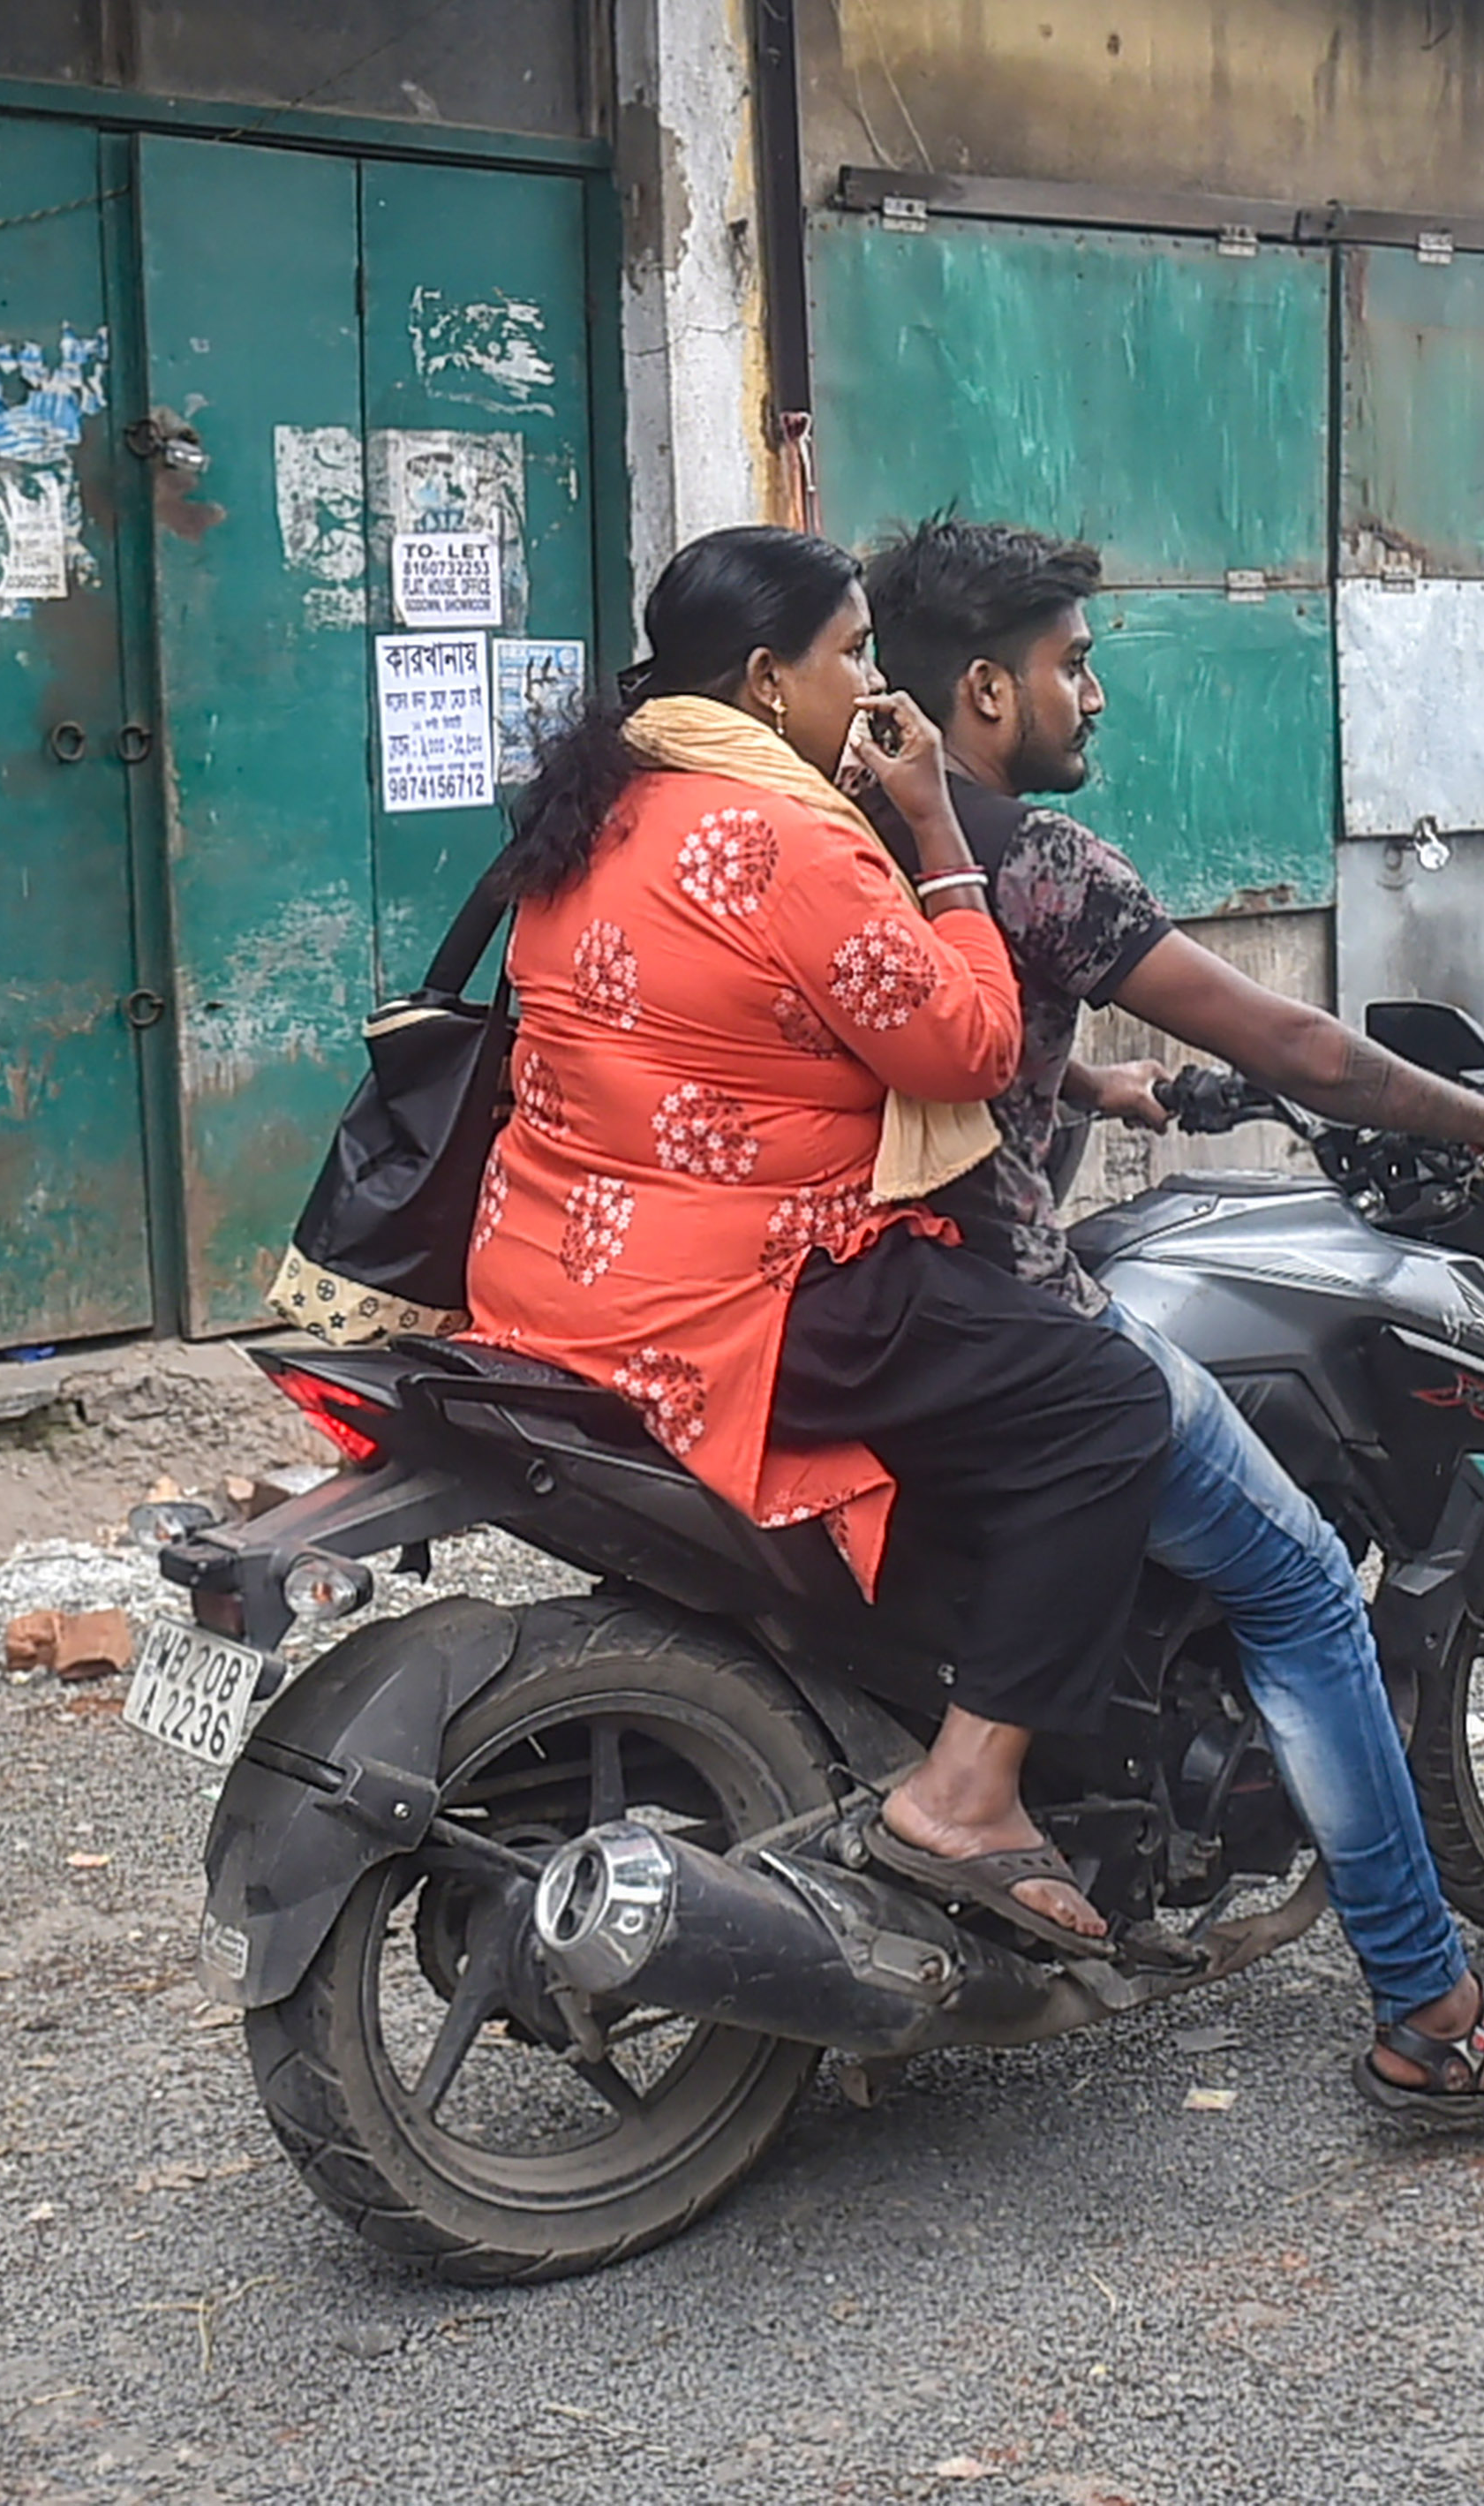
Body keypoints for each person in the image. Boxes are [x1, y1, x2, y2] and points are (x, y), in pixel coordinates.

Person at [858, 513, 1484, 2132]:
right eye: (1075, 666)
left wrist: (1080, 1070)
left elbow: (936, 1006)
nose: (1097, 696)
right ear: (985, 694)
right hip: (1002, 1299)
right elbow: (1301, 1047)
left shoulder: (849, 822)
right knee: (1299, 1586)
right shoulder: (1043, 865)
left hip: (852, 1296)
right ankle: (1433, 2009)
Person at [469, 525, 1172, 1951]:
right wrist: (930, 833)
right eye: (847, 655)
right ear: (765, 679)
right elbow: (969, 1043)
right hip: (739, 1291)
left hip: (547, 1272)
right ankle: (969, 1791)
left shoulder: (601, 801)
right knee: (1107, 1402)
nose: (866, 682)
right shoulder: (786, 833)